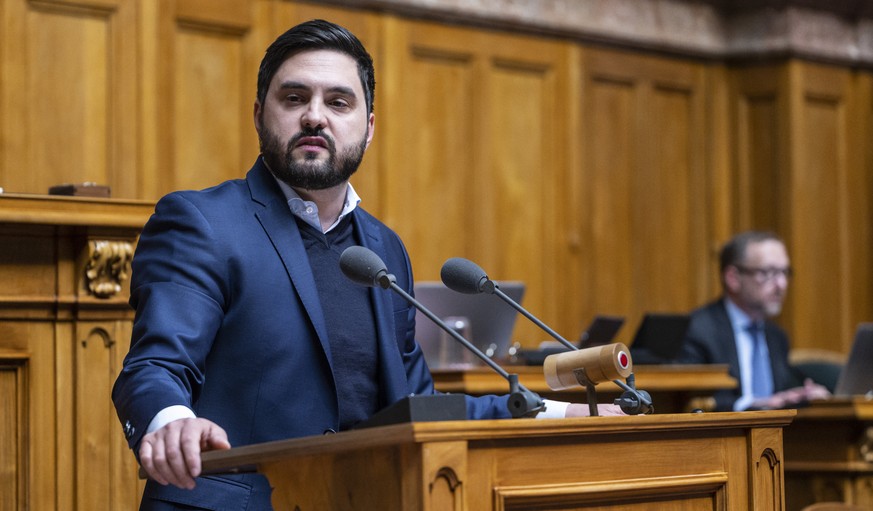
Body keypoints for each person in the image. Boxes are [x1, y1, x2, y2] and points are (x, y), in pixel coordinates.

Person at [112, 19, 621, 510]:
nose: (315, 116)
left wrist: (556, 412)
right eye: (294, 98)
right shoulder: (204, 221)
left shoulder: (380, 251)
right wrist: (169, 420)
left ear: (369, 126)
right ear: (259, 114)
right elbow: (155, 366)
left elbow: (418, 410)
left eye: (338, 101)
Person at [675, 230, 830, 411]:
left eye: (784, 272)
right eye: (768, 272)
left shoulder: (776, 337)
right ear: (733, 278)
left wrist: (803, 395)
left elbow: (780, 398)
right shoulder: (697, 331)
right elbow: (688, 403)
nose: (781, 284)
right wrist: (752, 405)